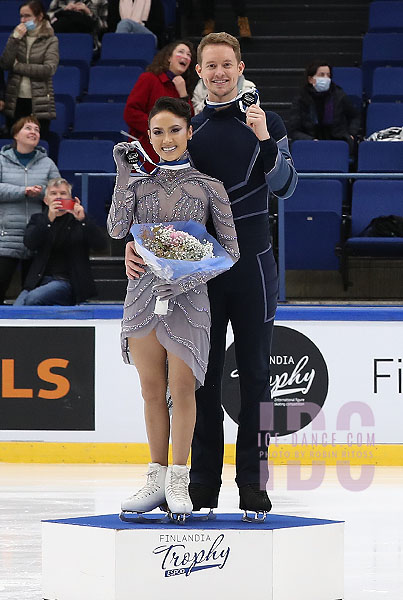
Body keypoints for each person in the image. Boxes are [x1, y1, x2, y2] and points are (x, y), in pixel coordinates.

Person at [125, 32, 297, 517]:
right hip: (199, 273)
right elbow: (162, 204)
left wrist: (265, 138)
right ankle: (200, 485)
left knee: (256, 380)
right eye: (211, 66)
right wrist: (134, 249)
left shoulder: (268, 122)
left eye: (228, 64)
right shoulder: (190, 128)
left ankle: (253, 487)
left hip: (255, 270)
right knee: (199, 381)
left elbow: (285, 187)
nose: (220, 73)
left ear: (240, 67)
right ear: (199, 72)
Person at [108, 96, 239, 519]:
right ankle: (155, 477)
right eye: (157, 132)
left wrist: (186, 277)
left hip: (189, 298)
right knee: (150, 390)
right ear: (148, 136)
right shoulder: (139, 184)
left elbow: (231, 250)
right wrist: (123, 174)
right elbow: (115, 229)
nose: (166, 139)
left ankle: (179, 478)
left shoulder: (209, 187)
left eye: (174, 130)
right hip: (142, 294)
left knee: (181, 389)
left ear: (189, 132)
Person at [14, 178, 107, 306]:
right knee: (16, 309)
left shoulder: (79, 221)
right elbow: (30, 243)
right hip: (38, 281)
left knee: (32, 300)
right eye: (53, 193)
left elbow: (101, 245)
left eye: (63, 193)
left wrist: (83, 219)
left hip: (67, 282)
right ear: (46, 200)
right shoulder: (38, 219)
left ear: (71, 199)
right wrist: (49, 220)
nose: (58, 197)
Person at [0, 116, 60, 304]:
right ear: (16, 134)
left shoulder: (47, 163)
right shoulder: (1, 161)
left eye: (37, 129)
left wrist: (42, 192)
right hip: (6, 235)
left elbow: (59, 190)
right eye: (28, 128)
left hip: (36, 236)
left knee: (31, 297)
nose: (34, 132)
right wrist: (23, 191)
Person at [123, 40, 196, 166]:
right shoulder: (149, 79)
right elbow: (131, 112)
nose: (185, 56)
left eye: (189, 55)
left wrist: (184, 94)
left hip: (174, 155)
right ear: (169, 57)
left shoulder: (182, 86)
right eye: (181, 52)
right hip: (146, 153)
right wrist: (159, 131)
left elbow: (190, 121)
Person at [0, 1, 59, 140]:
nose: (23, 20)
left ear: (39, 16)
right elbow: (5, 64)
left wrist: (18, 67)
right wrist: (14, 39)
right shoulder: (17, 36)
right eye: (21, 16)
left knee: (37, 140)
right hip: (15, 98)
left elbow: (48, 69)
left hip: (38, 100)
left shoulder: (50, 40)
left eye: (27, 16)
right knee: (14, 141)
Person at [288, 60, 361, 153]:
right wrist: (310, 140)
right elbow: (294, 130)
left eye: (328, 75)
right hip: (311, 144)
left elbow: (355, 116)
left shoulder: (339, 95)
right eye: (321, 75)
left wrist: (351, 133)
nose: (326, 78)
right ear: (311, 79)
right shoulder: (300, 99)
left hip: (337, 142)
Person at [192, 72, 257, 114]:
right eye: (212, 66)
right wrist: (211, 99)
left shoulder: (249, 87)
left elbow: (251, 115)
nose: (220, 73)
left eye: (226, 65)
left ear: (239, 68)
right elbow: (196, 111)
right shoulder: (200, 85)